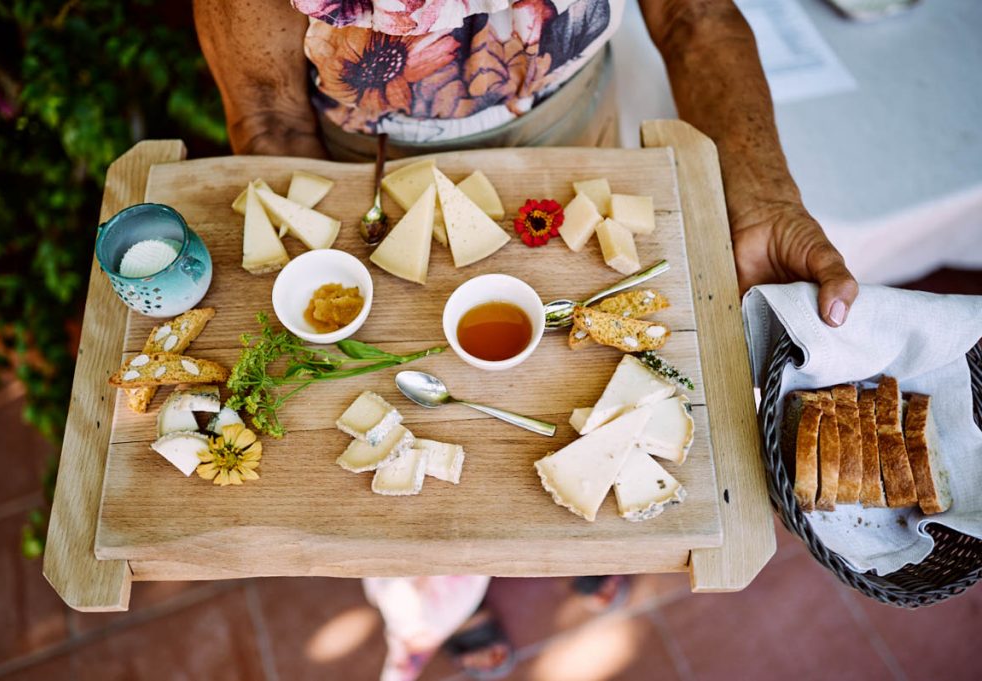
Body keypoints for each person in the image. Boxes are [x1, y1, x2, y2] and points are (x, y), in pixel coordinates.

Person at [195, 0, 860, 678]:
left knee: (597, 427)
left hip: (573, 135)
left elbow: (695, 14)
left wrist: (767, 197)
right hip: (371, 174)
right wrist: (303, 246)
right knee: (404, 488)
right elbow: (267, 114)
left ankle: (592, 535)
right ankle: (436, 601)